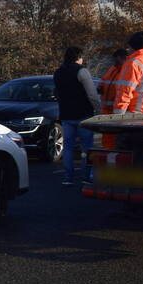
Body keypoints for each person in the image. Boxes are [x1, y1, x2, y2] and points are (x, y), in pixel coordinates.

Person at [53, 46, 101, 186]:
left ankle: (68, 177)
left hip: (66, 114)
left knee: (68, 147)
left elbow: (57, 92)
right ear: (78, 57)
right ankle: (86, 176)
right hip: (83, 114)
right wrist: (98, 109)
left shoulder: (58, 72)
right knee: (86, 147)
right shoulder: (82, 71)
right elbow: (92, 95)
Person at [113, 31, 143, 115]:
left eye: (129, 46)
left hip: (133, 116)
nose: (128, 49)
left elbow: (124, 92)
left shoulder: (133, 63)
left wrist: (117, 116)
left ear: (134, 47)